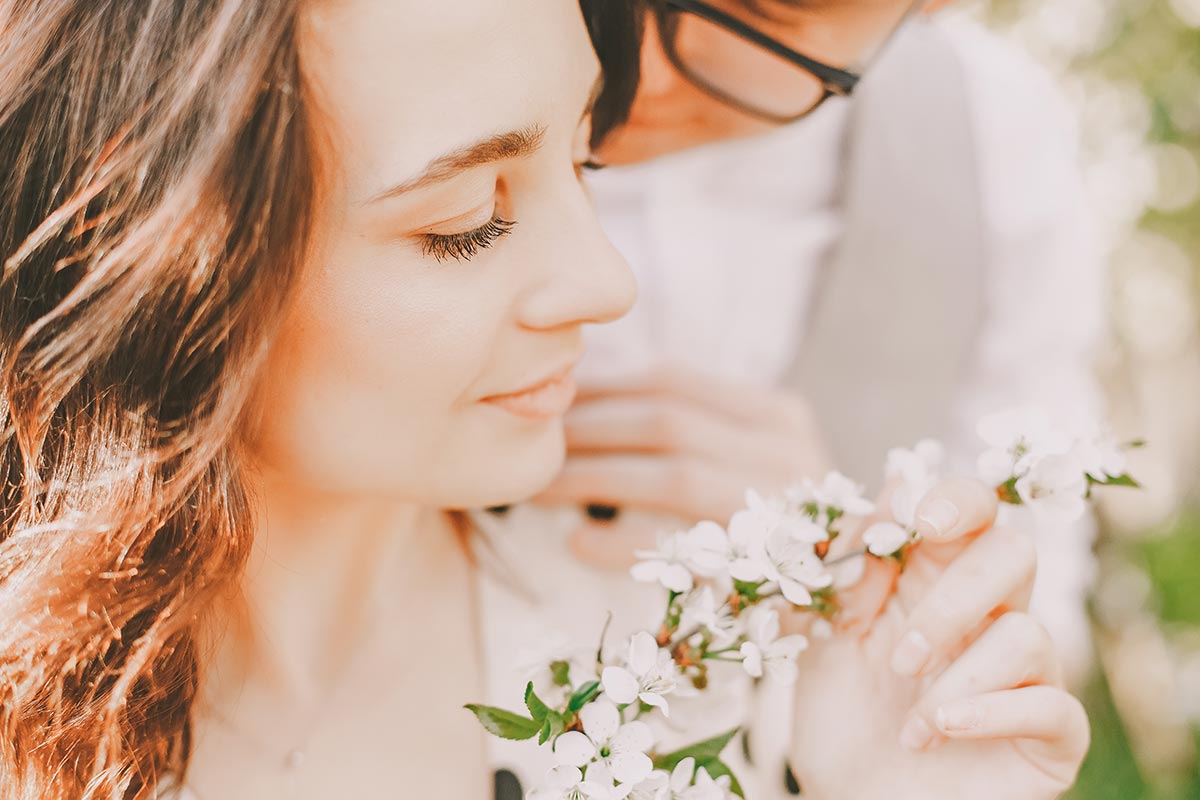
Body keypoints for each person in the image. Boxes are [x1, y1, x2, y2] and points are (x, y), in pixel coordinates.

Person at [0, 1, 1084, 799]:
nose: (611, 283)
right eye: (466, 217)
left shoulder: (694, 669)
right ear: (148, 238)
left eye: (585, 159)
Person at [481, 0, 1104, 795]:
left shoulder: (993, 142)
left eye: (759, 14)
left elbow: (1037, 626)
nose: (637, 55)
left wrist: (848, 559)